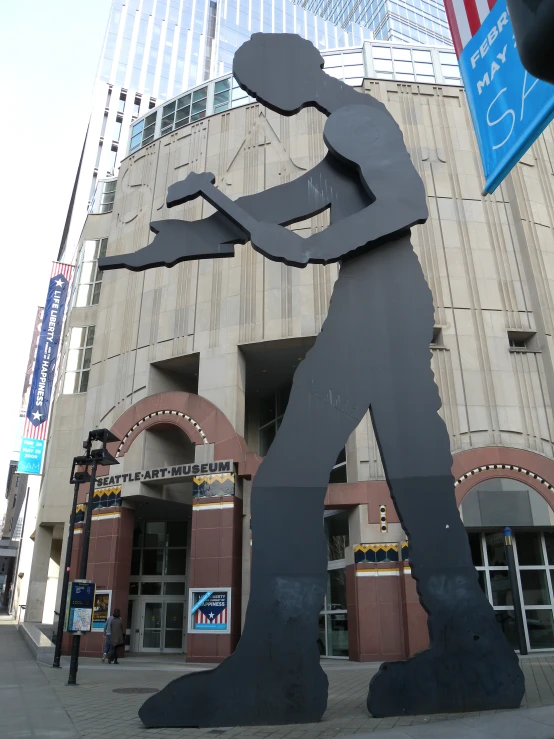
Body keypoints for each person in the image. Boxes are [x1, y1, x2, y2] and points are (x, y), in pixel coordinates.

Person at [100, 33, 524, 726]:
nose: (263, 98)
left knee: (292, 480)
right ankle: (468, 648)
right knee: (415, 476)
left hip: (378, 307)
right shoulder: (343, 138)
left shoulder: (358, 119)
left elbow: (406, 200)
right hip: (377, 305)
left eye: (261, 81)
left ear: (294, 71)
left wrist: (318, 246)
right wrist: (180, 240)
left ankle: (282, 665)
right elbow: (273, 209)